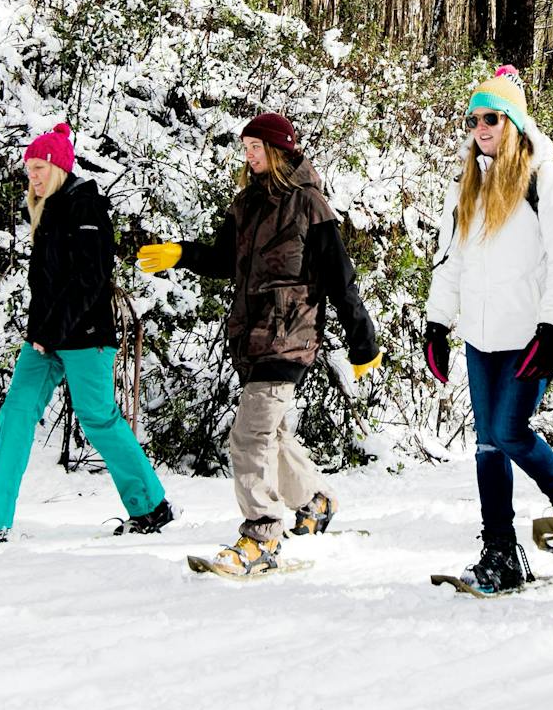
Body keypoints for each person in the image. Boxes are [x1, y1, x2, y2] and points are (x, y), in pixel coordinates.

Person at [138, 113, 378, 577]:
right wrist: (182, 253)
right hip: (250, 336)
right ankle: (314, 499)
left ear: (280, 150)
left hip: (290, 337)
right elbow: (225, 259)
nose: (249, 155)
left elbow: (340, 279)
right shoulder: (245, 203)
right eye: (245, 147)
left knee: (249, 436)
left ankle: (262, 536)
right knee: (273, 433)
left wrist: (362, 341)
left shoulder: (310, 205)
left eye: (256, 147)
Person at [0, 124, 170, 548]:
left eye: (41, 168)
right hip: (46, 337)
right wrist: (41, 332)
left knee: (98, 418)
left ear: (60, 167)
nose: (34, 177)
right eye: (29, 170)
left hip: (85, 336)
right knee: (16, 414)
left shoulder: (86, 208)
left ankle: (149, 505)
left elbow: (90, 279)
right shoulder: (44, 210)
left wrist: (50, 332)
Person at [422, 66, 553, 593]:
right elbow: (450, 263)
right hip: (479, 336)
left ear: (514, 122)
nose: (481, 127)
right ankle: (501, 552)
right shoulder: (466, 186)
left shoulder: (545, 181)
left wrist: (552, 330)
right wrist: (436, 325)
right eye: (474, 119)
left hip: (530, 334)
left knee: (509, 431)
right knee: (487, 445)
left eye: (491, 117)